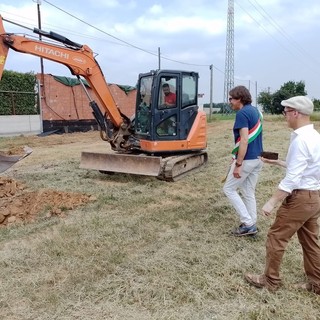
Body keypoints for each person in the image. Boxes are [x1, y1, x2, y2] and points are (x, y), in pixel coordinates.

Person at [245, 96, 320, 295]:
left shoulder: (301, 140)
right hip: (314, 197)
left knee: (276, 237)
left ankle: (270, 281)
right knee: (310, 241)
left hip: (300, 199)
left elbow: (293, 178)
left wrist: (272, 201)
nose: (284, 116)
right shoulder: (313, 136)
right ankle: (317, 283)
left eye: (286, 112)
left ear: (295, 113)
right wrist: (279, 163)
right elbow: (305, 168)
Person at [223, 86, 263, 236]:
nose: (230, 102)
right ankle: (252, 222)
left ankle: (247, 223)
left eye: (231, 98)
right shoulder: (256, 111)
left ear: (239, 99)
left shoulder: (242, 114)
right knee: (248, 191)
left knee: (229, 189)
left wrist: (238, 164)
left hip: (247, 159)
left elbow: (244, 140)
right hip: (258, 158)